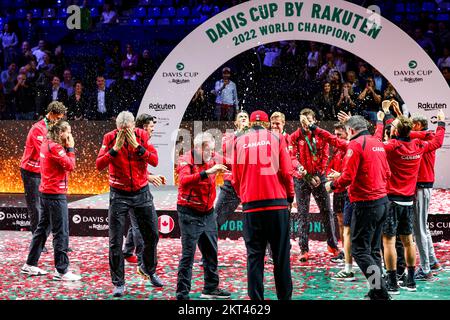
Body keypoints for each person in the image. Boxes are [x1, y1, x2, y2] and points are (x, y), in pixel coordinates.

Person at [377, 104, 446, 295]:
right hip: (408, 200)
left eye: (393, 127)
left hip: (391, 200)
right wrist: (441, 122)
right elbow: (437, 141)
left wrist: (380, 122)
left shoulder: (393, 146)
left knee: (389, 242)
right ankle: (411, 280)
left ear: (397, 130)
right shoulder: (419, 145)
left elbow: (376, 144)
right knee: (409, 241)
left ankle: (392, 282)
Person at [96, 111, 163, 298]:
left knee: (152, 235)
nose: (126, 132)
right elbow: (99, 164)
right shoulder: (109, 138)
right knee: (115, 241)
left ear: (134, 126)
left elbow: (155, 160)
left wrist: (137, 147)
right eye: (122, 130)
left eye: (129, 129)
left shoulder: (142, 136)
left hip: (141, 192)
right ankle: (118, 282)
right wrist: (114, 149)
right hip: (118, 194)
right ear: (117, 128)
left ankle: (148, 269)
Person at [323, 115, 391, 300]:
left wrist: (332, 185)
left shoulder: (355, 145)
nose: (345, 136)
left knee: (360, 250)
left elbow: (348, 178)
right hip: (382, 201)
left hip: (366, 203)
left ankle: (380, 292)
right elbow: (387, 172)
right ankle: (376, 291)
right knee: (373, 250)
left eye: (346, 133)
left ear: (351, 130)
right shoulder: (377, 142)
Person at [232, 110, 294, 300]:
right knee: (281, 258)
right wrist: (290, 196)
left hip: (251, 207)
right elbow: (286, 171)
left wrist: (245, 195)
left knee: (254, 258)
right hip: (277, 205)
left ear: (250, 124)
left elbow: (234, 179)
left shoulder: (239, 142)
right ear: (267, 124)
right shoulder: (276, 138)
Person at [21, 120, 81, 281]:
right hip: (55, 194)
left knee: (42, 230)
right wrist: (70, 148)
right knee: (61, 232)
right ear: (61, 133)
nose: (70, 135)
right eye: (68, 132)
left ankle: (30, 264)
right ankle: (61, 270)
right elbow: (71, 166)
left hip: (46, 193)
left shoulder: (46, 142)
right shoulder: (55, 147)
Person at [176, 132, 231, 300]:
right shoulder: (185, 159)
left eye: (213, 150)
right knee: (188, 254)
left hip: (208, 213)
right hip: (189, 212)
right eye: (208, 150)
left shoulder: (213, 156)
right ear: (198, 148)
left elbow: (233, 163)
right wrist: (208, 172)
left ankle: (211, 288)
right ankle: (182, 294)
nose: (211, 154)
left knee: (211, 252)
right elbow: (184, 180)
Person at [290, 108, 339, 262]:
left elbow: (325, 156)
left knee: (327, 211)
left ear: (314, 121)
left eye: (308, 120)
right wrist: (303, 172)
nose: (305, 124)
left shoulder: (321, 134)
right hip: (301, 179)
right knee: (302, 214)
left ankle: (333, 245)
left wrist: (318, 175)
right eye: (302, 121)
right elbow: (292, 157)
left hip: (320, 178)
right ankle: (304, 249)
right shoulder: (294, 137)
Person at [122, 113, 166, 264]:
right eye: (152, 127)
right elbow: (128, 169)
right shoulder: (127, 142)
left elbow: (147, 164)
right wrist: (149, 177)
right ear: (144, 127)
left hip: (141, 188)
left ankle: (127, 252)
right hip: (131, 191)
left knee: (136, 222)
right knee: (139, 226)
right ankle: (142, 260)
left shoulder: (145, 143)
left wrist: (149, 176)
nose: (154, 130)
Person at [20, 102, 67, 239]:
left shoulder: (54, 128)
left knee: (47, 206)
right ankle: (38, 239)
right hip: (31, 172)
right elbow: (46, 151)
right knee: (35, 206)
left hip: (44, 171)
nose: (59, 121)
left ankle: (56, 237)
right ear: (51, 114)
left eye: (61, 119)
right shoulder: (38, 129)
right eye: (58, 118)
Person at [409, 114, 445, 280]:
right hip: (425, 186)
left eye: (411, 124)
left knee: (419, 230)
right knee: (422, 227)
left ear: (417, 125)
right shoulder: (428, 139)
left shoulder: (421, 142)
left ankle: (425, 270)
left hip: (420, 187)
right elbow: (436, 140)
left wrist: (441, 124)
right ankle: (432, 262)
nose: (409, 127)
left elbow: (405, 134)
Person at [215, 110, 249, 229]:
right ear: (235, 122)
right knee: (217, 218)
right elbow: (225, 148)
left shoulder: (255, 137)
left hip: (249, 184)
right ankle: (208, 244)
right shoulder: (228, 135)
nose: (244, 118)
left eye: (246, 116)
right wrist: (239, 133)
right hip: (231, 184)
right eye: (241, 117)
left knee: (254, 221)